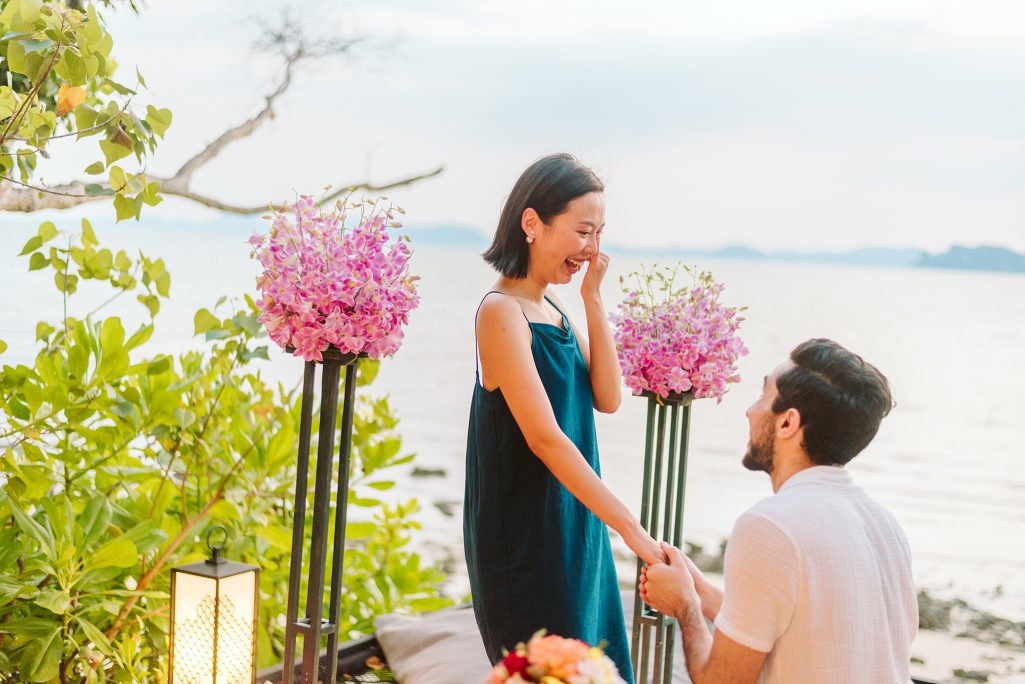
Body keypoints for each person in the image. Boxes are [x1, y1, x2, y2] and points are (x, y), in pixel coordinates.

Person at [464, 154, 661, 682]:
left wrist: (593, 298)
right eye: (581, 231)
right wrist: (632, 531)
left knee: (598, 667)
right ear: (532, 224)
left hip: (577, 530)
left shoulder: (555, 309)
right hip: (529, 540)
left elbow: (608, 397)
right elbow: (546, 440)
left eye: (599, 233)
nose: (592, 248)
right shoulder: (500, 312)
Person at [641, 338, 918, 684]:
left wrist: (685, 606)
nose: (749, 410)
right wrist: (699, 590)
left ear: (788, 423)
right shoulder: (884, 524)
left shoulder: (769, 526)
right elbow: (803, 628)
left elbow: (721, 681)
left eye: (763, 396)